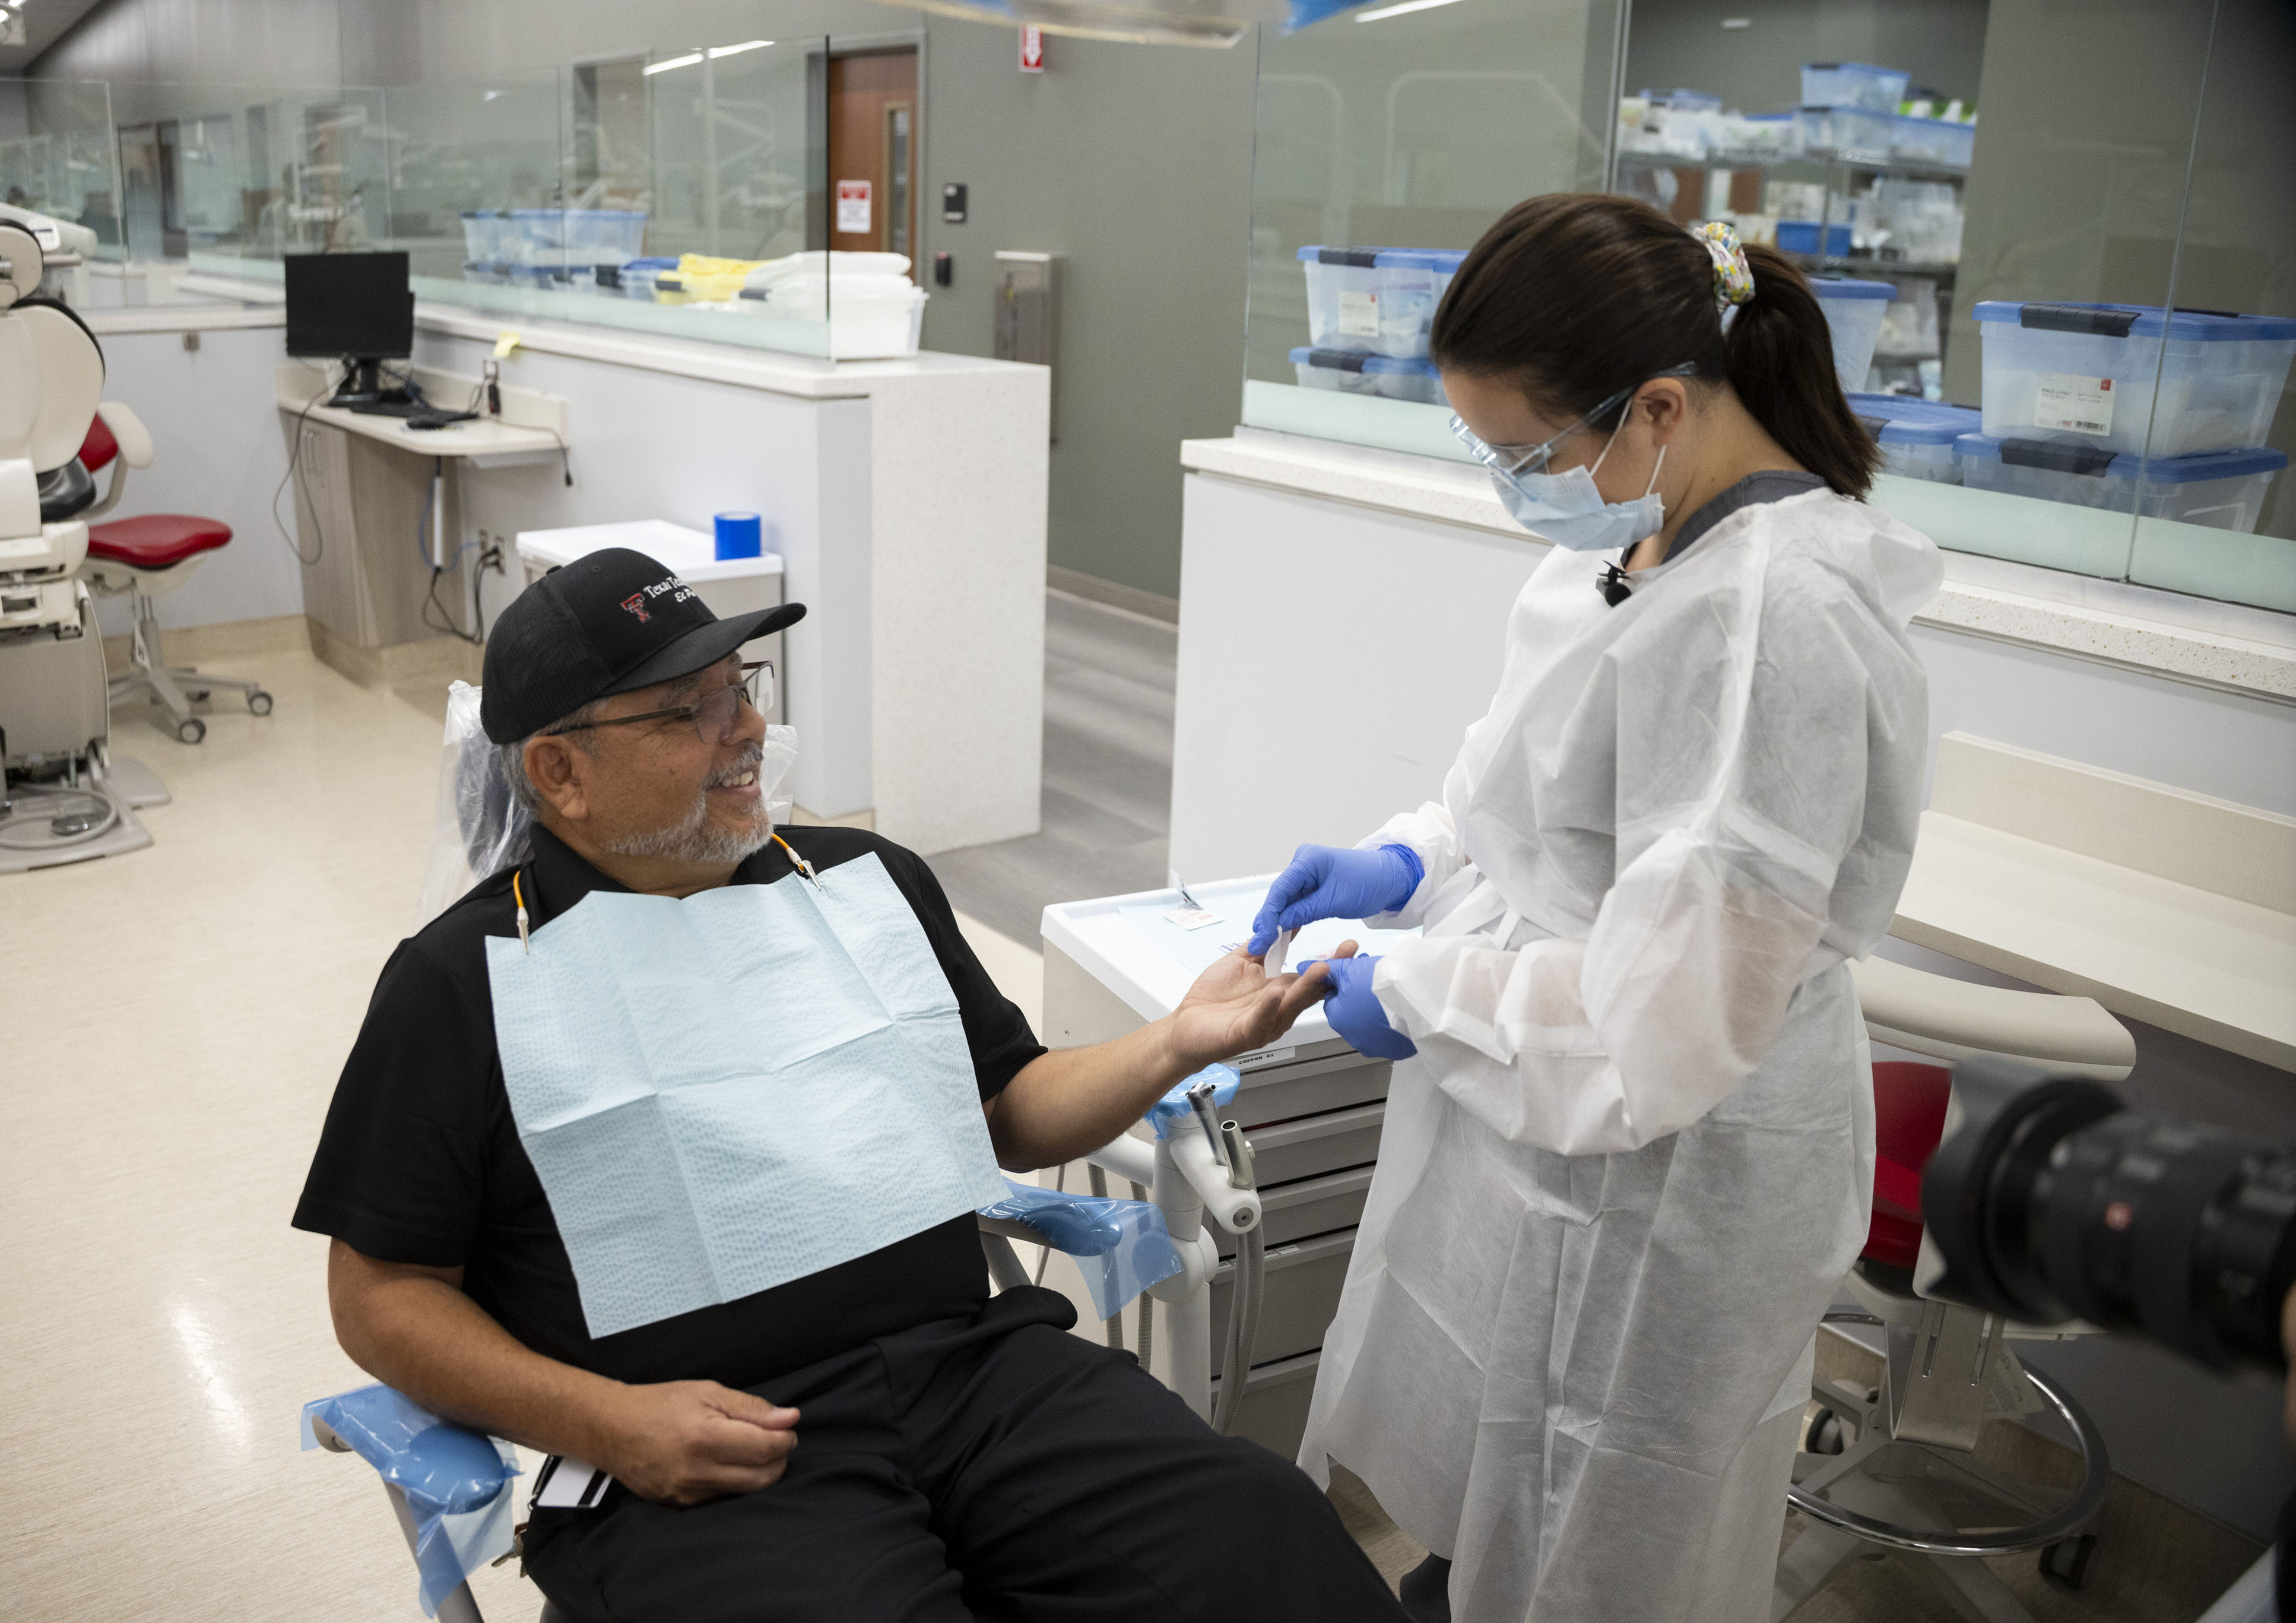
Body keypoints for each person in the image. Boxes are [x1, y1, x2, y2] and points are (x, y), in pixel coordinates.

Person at [294, 549, 1407, 1623]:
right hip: (706, 1449)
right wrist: (608, 1423)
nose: (746, 734)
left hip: (978, 1376)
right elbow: (379, 1293)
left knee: (1269, 1538)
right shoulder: (463, 980)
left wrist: (1176, 1040)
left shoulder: (865, 884)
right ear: (559, 772)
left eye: (743, 689)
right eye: (689, 710)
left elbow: (1009, 1107)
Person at [1248, 194, 1944, 1623]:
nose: (1514, 481)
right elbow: (1534, 800)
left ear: (1659, 409)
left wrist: (1419, 987)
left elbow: (1664, 1030)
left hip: (1675, 1176)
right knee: (1504, 1489)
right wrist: (1409, 859)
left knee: (1608, 1533)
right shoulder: (1630, 533)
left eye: (1524, 451)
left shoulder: (1771, 625)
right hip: (1540, 1125)